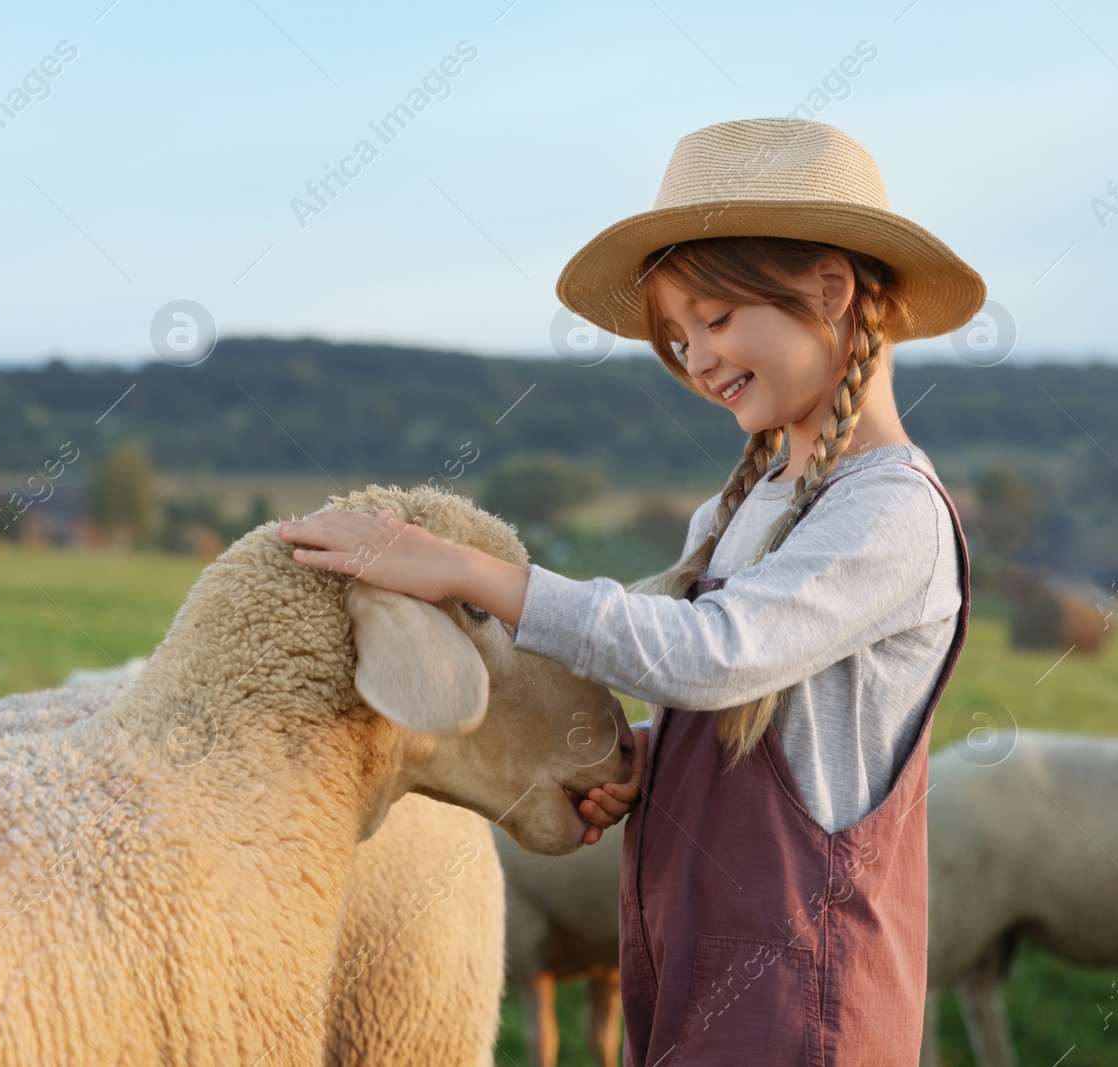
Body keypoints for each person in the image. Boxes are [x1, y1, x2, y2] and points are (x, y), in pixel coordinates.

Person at [279, 116, 978, 1065]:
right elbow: (753, 713)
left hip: (806, 1002)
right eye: (677, 336)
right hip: (688, 963)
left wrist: (468, 571)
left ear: (830, 288)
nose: (694, 358)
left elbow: (716, 655)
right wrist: (657, 759)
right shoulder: (743, 506)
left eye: (717, 320)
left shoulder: (892, 511)